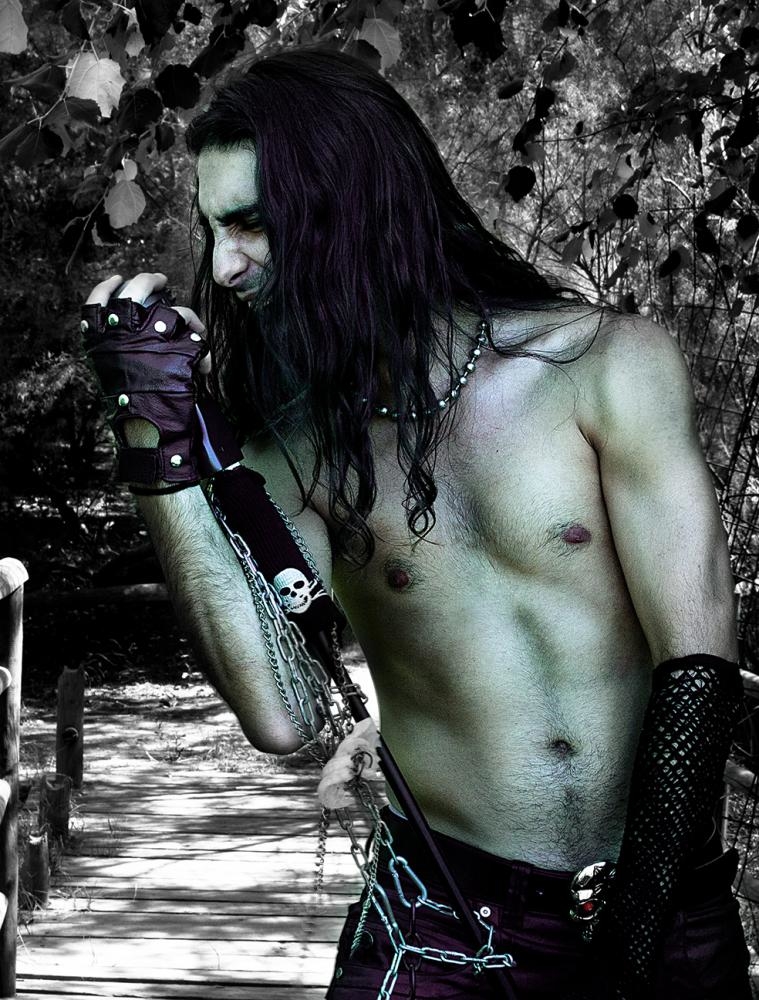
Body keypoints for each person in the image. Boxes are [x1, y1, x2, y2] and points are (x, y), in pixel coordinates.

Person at [83, 46, 751, 1000]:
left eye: (249, 224)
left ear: (351, 211)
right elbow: (280, 714)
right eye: (212, 229)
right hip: (439, 923)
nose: (222, 267)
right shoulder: (297, 448)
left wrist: (631, 943)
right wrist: (158, 448)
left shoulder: (603, 366)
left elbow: (696, 667)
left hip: (667, 914)